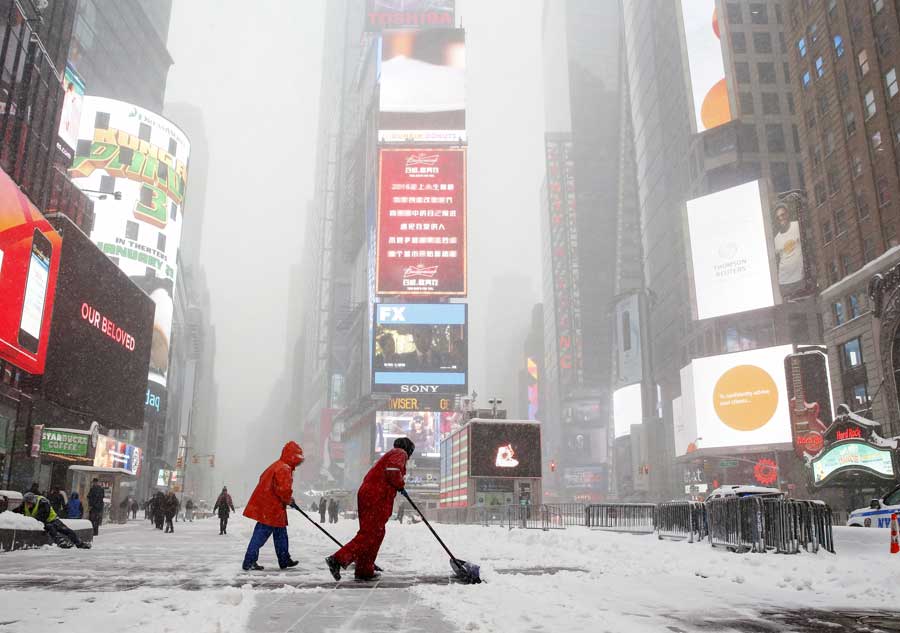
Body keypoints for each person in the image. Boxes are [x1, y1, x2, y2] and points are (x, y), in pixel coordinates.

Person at [326, 437, 413, 581]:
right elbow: (393, 470)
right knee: (370, 534)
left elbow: (390, 472)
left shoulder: (392, 454)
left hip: (372, 495)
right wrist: (400, 485)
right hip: (375, 496)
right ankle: (338, 559)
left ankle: (364, 570)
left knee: (375, 533)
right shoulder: (400, 452)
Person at [241, 441, 304, 571]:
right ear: (292, 457)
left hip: (272, 507)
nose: (298, 463)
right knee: (260, 536)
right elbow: (283, 489)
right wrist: (288, 500)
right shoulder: (284, 468)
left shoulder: (277, 465)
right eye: (297, 459)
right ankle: (249, 561)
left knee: (280, 534)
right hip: (271, 509)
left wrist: (285, 499)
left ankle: (284, 559)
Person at [21, 492, 90, 549]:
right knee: (51, 528)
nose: (27, 505)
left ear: (33, 501)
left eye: (29, 503)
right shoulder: (24, 505)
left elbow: (44, 514)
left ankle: (79, 543)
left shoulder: (42, 501)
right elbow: (17, 512)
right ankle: (61, 542)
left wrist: (38, 521)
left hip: (52, 519)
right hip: (42, 522)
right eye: (26, 503)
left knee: (66, 530)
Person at [773, 202, 805, 299]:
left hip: (800, 278)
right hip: (784, 282)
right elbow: (775, 260)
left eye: (782, 215)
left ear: (787, 214)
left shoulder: (797, 226)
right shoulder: (776, 239)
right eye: (778, 217)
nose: (781, 218)